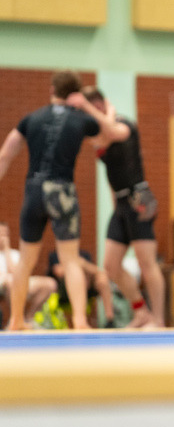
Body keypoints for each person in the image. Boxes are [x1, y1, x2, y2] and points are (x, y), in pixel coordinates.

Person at [0, 71, 112, 330]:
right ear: (76, 93)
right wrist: (88, 108)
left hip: (34, 190)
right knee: (70, 259)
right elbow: (108, 134)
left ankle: (16, 319)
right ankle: (80, 321)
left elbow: (5, 155)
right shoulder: (81, 120)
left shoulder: (31, 119)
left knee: (25, 261)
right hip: (62, 191)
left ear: (52, 90)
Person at [73, 87, 165, 328]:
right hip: (121, 202)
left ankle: (158, 319)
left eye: (93, 109)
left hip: (139, 198)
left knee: (147, 263)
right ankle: (141, 312)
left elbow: (113, 131)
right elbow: (102, 142)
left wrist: (94, 108)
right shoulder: (102, 132)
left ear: (100, 105)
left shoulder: (125, 125)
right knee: (110, 266)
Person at [0, 222, 58, 329]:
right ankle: (15, 318)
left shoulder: (14, 254)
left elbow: (16, 274)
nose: (3, 237)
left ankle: (29, 318)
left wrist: (6, 249)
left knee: (50, 284)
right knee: (10, 282)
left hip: (15, 282)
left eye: (5, 234)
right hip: (4, 283)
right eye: (0, 233)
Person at [47, 248, 115, 328]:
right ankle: (79, 320)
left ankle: (110, 320)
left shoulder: (84, 255)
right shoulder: (56, 254)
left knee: (102, 279)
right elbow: (58, 271)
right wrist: (77, 266)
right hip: (63, 289)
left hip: (86, 287)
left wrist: (83, 264)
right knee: (75, 273)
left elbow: (100, 271)